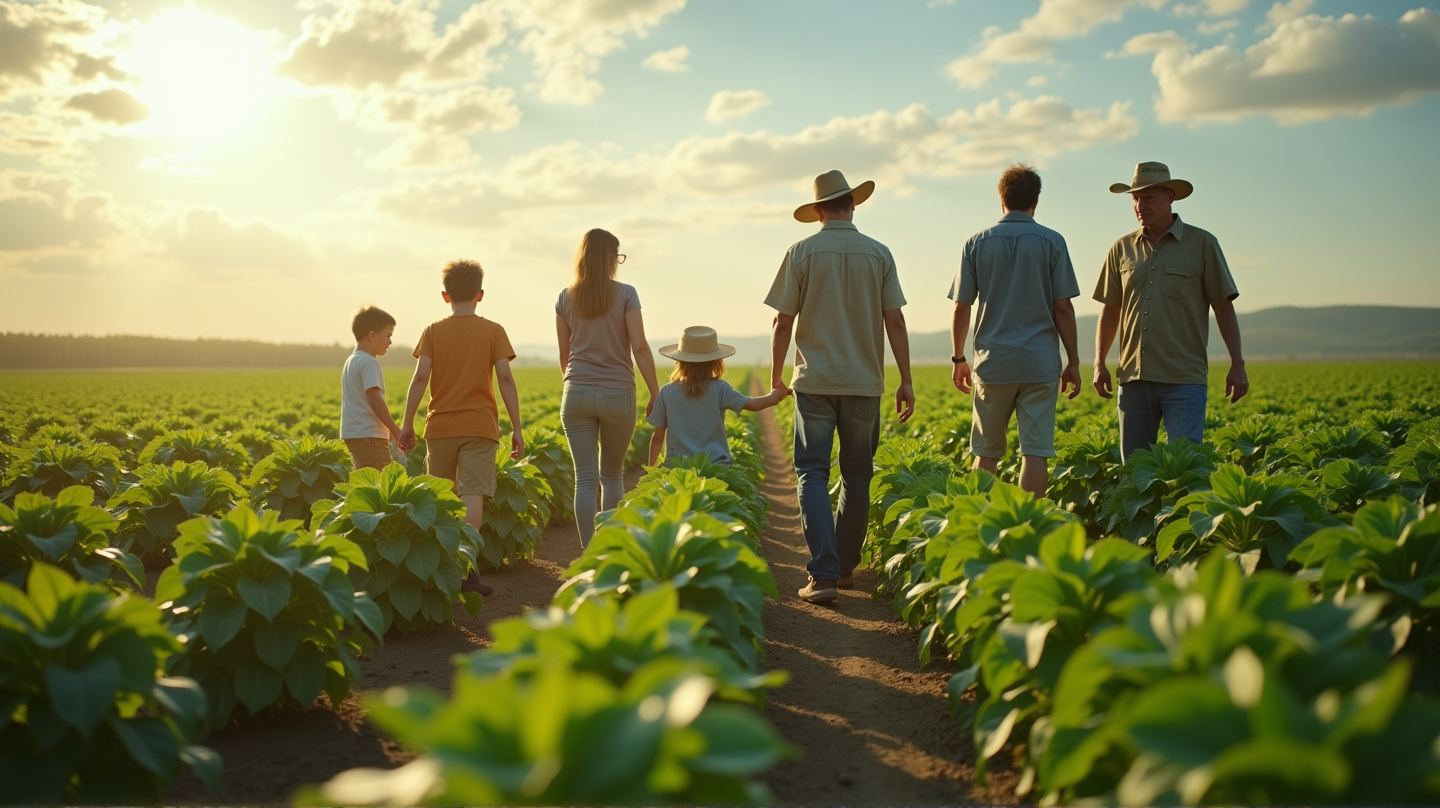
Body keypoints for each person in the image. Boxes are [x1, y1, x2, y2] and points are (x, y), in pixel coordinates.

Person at [766, 169, 915, 606]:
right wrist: (905, 379)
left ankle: (824, 575)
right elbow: (896, 320)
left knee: (812, 472)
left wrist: (777, 376)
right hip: (865, 383)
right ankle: (845, 568)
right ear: (852, 204)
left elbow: (782, 321)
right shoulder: (879, 253)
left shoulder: (801, 252)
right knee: (857, 476)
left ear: (816, 212)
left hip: (814, 381)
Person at [1092, 161, 1248, 462]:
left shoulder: (1202, 244)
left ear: (1170, 197)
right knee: (1134, 473)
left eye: (1148, 197)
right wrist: (1099, 362)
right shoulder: (1121, 249)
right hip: (1134, 381)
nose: (1140, 205)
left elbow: (1223, 307)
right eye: (1135, 198)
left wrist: (1237, 363)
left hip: (1184, 381)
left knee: (1186, 467)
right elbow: (1111, 311)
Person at [949, 164, 1081, 498]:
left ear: (1001, 199)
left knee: (986, 454)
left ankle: (976, 529)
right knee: (1035, 452)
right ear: (1036, 200)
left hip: (993, 364)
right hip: (1038, 363)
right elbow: (1063, 307)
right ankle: (1029, 529)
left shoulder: (976, 243)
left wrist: (959, 358)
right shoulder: (1053, 241)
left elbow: (961, 307)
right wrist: (1074, 361)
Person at [398, 260, 524, 597]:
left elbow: (420, 377)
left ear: (445, 296)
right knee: (472, 497)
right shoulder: (494, 331)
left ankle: (438, 569)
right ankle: (468, 571)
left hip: (439, 425)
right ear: (480, 295)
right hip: (480, 426)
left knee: (438, 497)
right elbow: (506, 379)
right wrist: (517, 427)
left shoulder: (433, 331)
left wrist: (407, 422)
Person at [555, 228, 661, 548]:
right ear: (609, 259)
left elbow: (564, 354)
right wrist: (656, 392)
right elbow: (640, 348)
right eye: (617, 256)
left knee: (584, 480)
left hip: (575, 392)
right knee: (612, 477)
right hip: (618, 393)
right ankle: (609, 551)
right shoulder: (626, 293)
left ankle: (588, 555)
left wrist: (576, 383)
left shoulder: (565, 296)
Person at [646, 326, 790, 467]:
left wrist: (650, 471)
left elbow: (658, 437)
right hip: (716, 465)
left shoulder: (667, 392)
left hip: (678, 467)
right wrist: (774, 396)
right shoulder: (720, 388)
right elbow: (753, 404)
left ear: (680, 362)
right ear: (716, 362)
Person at [340, 305, 405, 471]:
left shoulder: (352, 360)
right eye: (388, 336)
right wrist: (395, 430)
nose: (390, 342)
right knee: (381, 484)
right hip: (369, 435)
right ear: (372, 335)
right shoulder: (368, 362)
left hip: (355, 434)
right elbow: (374, 398)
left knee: (365, 482)